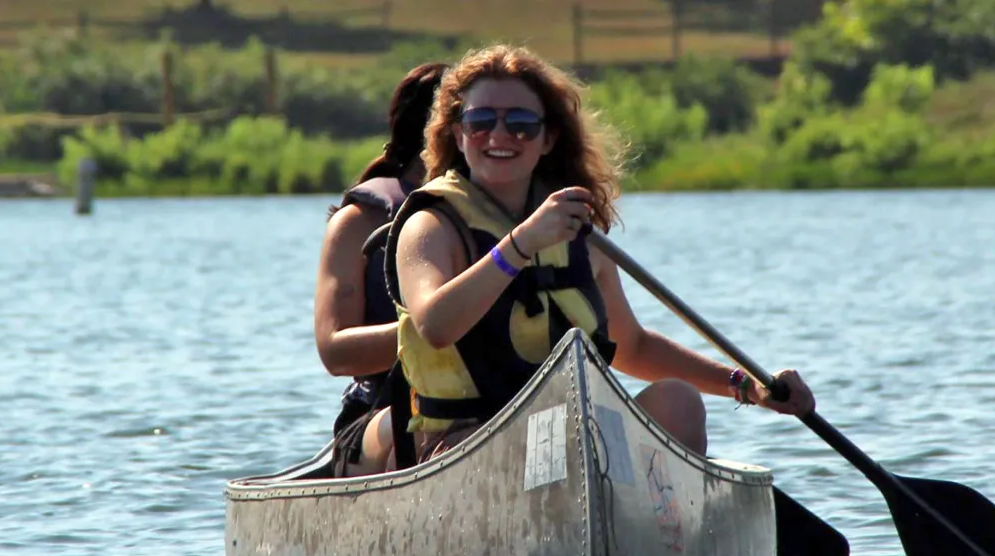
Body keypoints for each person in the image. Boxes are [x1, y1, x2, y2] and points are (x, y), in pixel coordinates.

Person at [354, 44, 815, 473]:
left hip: (566, 439)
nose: (499, 135)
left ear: (547, 139)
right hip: (463, 444)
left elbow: (631, 346)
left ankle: (653, 541)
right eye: (481, 121)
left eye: (520, 123)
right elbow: (434, 326)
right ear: (458, 133)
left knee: (678, 401)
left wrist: (746, 385)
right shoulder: (430, 225)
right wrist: (521, 244)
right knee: (548, 445)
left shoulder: (575, 229)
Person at [312, 62, 449, 476]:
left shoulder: (516, 219)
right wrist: (439, 328)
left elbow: (627, 341)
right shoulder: (359, 223)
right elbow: (335, 351)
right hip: (383, 415)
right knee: (422, 427)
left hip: (487, 405)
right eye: (480, 122)